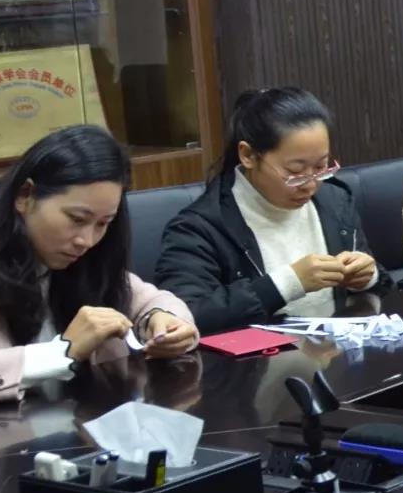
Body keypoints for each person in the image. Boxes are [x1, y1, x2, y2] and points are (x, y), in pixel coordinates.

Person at [0, 125, 199, 418]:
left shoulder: (84, 257)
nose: (87, 240)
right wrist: (59, 353)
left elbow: (153, 300)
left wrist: (165, 322)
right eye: (77, 219)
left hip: (83, 437)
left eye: (103, 224)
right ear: (25, 195)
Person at [156, 87, 388, 334]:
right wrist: (287, 283)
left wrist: (367, 276)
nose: (310, 185)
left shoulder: (335, 200)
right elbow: (186, 316)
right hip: (258, 358)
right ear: (248, 155)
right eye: (295, 172)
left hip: (334, 351)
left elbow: (378, 284)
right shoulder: (199, 228)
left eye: (321, 167)